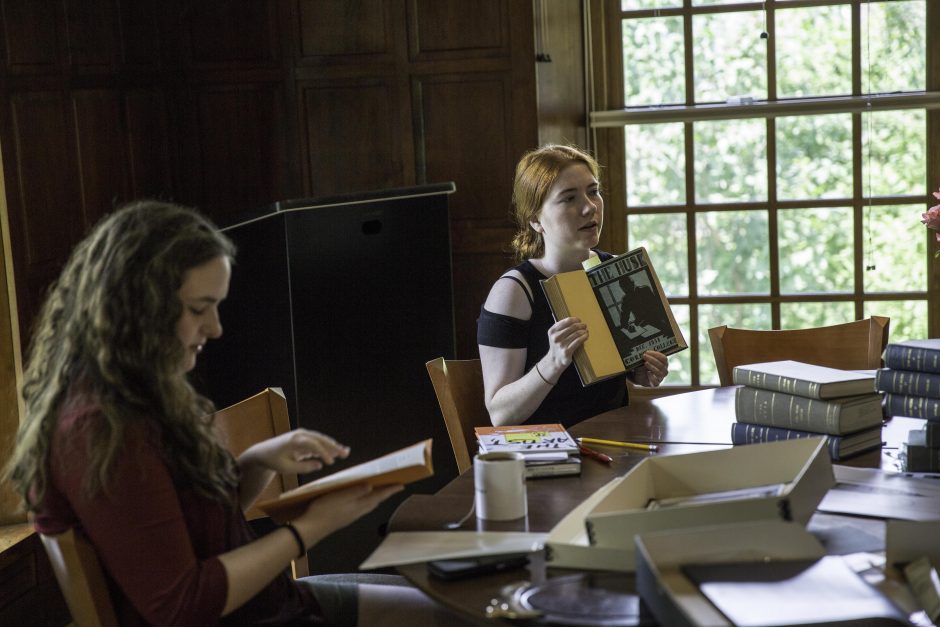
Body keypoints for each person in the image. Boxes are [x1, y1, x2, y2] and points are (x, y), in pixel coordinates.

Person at [6, 201, 468, 626]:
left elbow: (199, 528)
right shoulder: (102, 430)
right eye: (199, 309)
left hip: (271, 605)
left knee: (463, 608)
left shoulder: (136, 396)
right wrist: (311, 528)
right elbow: (182, 604)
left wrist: (260, 460)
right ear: (138, 309)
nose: (215, 327)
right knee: (467, 615)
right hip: (254, 617)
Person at [477, 144, 669, 428]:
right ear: (535, 220)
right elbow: (500, 414)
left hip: (614, 441)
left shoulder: (614, 269)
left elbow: (612, 375)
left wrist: (640, 372)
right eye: (568, 198)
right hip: (548, 453)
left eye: (593, 192)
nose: (589, 207)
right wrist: (553, 361)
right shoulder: (514, 291)